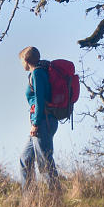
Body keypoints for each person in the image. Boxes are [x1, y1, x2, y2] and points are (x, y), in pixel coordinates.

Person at [18, 46, 60, 191]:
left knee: (45, 163)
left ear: (26, 60)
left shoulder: (37, 73)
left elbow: (40, 100)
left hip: (43, 122)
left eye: (21, 60)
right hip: (43, 121)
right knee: (25, 158)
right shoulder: (40, 72)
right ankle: (29, 199)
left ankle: (55, 197)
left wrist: (35, 123)